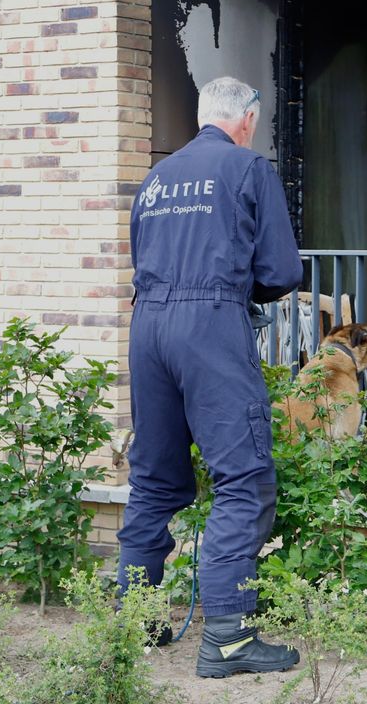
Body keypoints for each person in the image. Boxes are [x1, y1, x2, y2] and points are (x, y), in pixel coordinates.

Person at [117, 76, 303, 678]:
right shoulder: (248, 168)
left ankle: (133, 622)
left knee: (154, 479)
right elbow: (281, 270)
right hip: (210, 325)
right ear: (247, 119)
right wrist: (233, 291)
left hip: (148, 326)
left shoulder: (157, 177)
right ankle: (228, 639)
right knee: (244, 479)